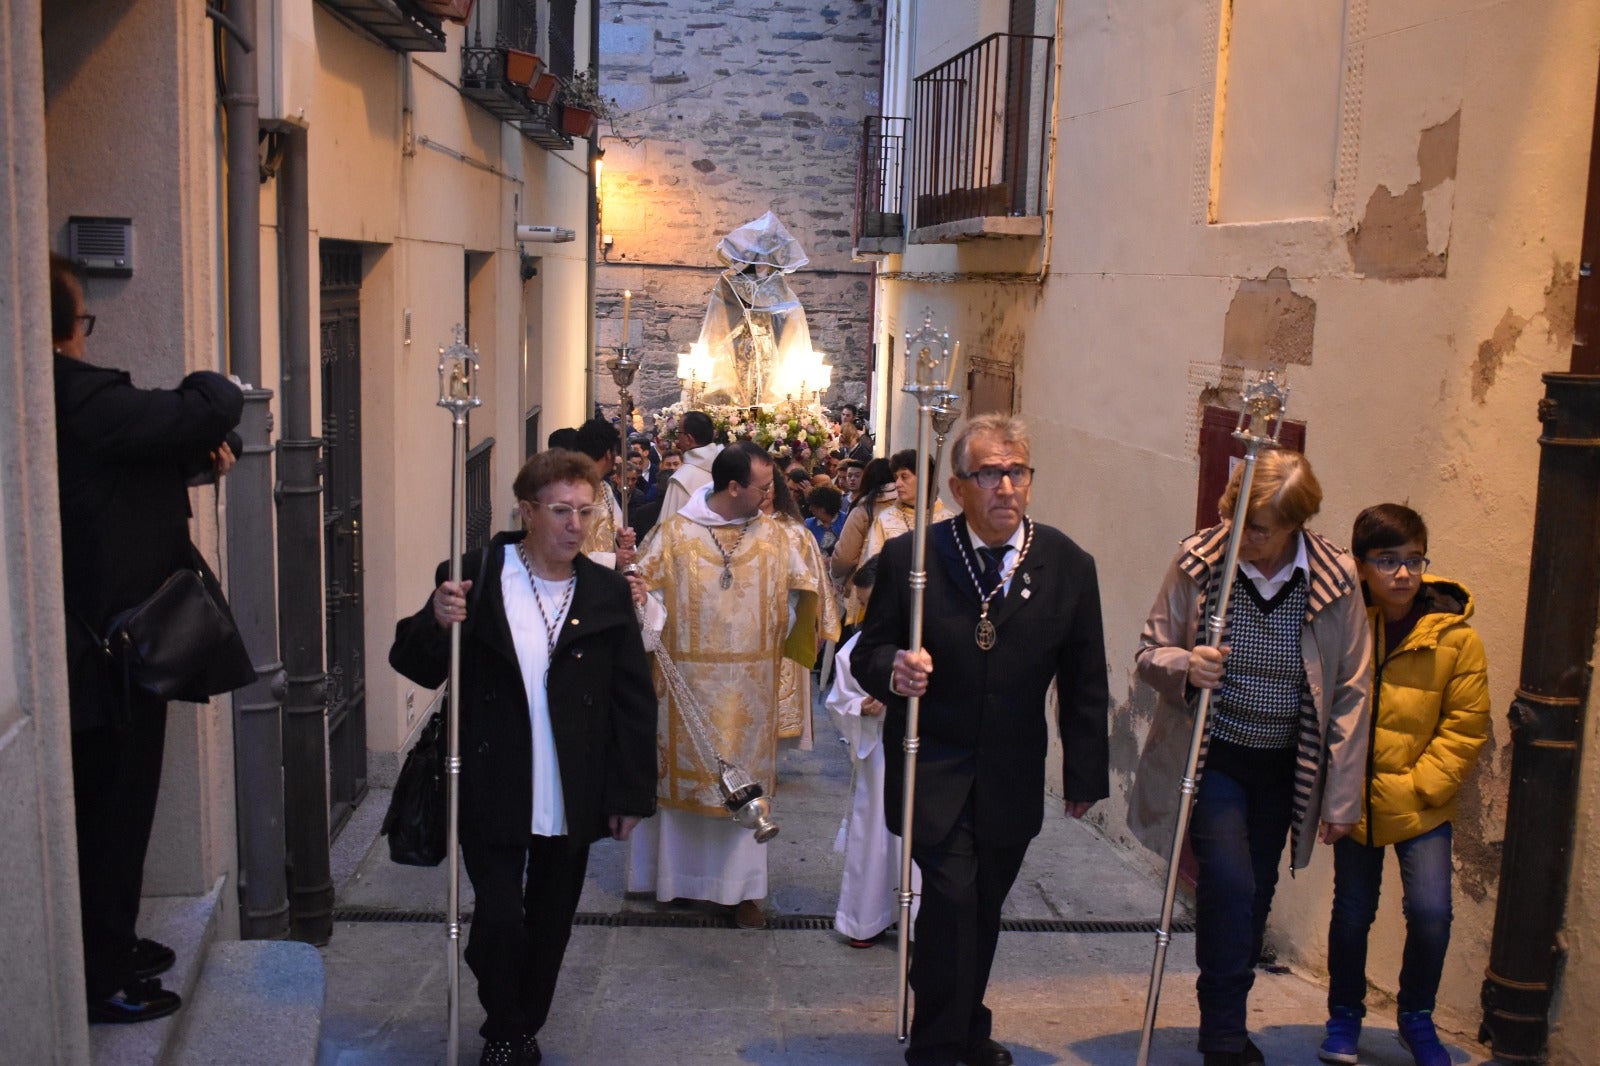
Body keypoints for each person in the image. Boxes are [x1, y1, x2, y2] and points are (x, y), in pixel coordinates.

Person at [854, 414, 1110, 1066]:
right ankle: (939, 1047)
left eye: (1017, 471)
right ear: (959, 485)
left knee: (982, 907)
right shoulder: (914, 558)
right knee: (950, 902)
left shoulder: (1068, 566)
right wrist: (894, 669)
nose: (1006, 487)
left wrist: (1085, 775)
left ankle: (966, 1024)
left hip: (1011, 771)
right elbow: (868, 651)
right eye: (989, 473)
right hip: (932, 762)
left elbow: (1084, 680)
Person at [389, 449, 657, 1066]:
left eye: (585, 512)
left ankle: (522, 1021)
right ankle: (505, 1026)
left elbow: (632, 703)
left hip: (572, 782)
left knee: (552, 918)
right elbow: (415, 663)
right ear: (528, 511)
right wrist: (436, 618)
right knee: (501, 916)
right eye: (561, 511)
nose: (575, 525)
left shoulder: (608, 592)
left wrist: (630, 795)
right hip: (494, 776)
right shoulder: (476, 575)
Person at [52, 254, 246, 1023]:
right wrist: (208, 401)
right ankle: (101, 973)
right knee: (111, 812)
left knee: (116, 809)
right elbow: (212, 403)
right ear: (72, 327)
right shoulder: (84, 398)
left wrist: (189, 459)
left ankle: (112, 941)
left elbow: (117, 480)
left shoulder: (68, 408)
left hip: (92, 641)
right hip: (109, 652)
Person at [1129, 450, 1371, 1066]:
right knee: (1230, 888)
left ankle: (1229, 1019)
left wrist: (1342, 797)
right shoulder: (1199, 564)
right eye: (1235, 518)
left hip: (1286, 765)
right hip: (1216, 756)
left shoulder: (1333, 579)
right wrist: (1186, 664)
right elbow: (1149, 650)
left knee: (1256, 893)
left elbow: (1350, 691)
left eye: (1259, 527)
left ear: (1295, 524)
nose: (1242, 536)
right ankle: (1223, 1036)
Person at [628, 442, 827, 929]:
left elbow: (807, 598)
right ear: (733, 486)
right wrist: (637, 595)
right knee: (687, 782)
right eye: (763, 487)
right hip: (686, 688)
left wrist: (794, 613)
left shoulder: (781, 538)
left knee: (746, 783)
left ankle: (742, 893)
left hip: (750, 687)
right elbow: (644, 598)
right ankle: (678, 883)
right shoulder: (674, 535)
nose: (771, 495)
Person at [1317, 504, 1489, 1066]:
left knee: (1433, 912)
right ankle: (1344, 1016)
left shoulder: (1456, 639)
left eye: (1414, 560)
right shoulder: (1344, 622)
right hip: (1354, 800)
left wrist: (1418, 787)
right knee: (1351, 914)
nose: (1402, 574)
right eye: (1387, 561)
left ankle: (1416, 1017)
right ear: (1362, 565)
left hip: (1421, 802)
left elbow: (1466, 725)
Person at [835, 451, 950, 629]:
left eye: (904, 477)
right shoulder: (886, 519)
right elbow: (874, 569)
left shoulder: (948, 521)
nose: (897, 484)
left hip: (939, 615)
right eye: (896, 477)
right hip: (894, 615)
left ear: (924, 478)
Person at [572, 417, 636, 568]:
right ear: (609, 454)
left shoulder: (603, 487)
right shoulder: (571, 491)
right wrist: (613, 560)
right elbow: (568, 551)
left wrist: (621, 539)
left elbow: (614, 528)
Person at [657, 410, 723, 523]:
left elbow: (668, 528)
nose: (677, 439)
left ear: (688, 439)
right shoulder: (727, 467)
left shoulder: (681, 479)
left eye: (679, 433)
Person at [805, 485, 846, 557]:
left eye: (813, 505)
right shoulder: (808, 524)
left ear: (823, 508)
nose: (810, 509)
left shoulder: (847, 521)